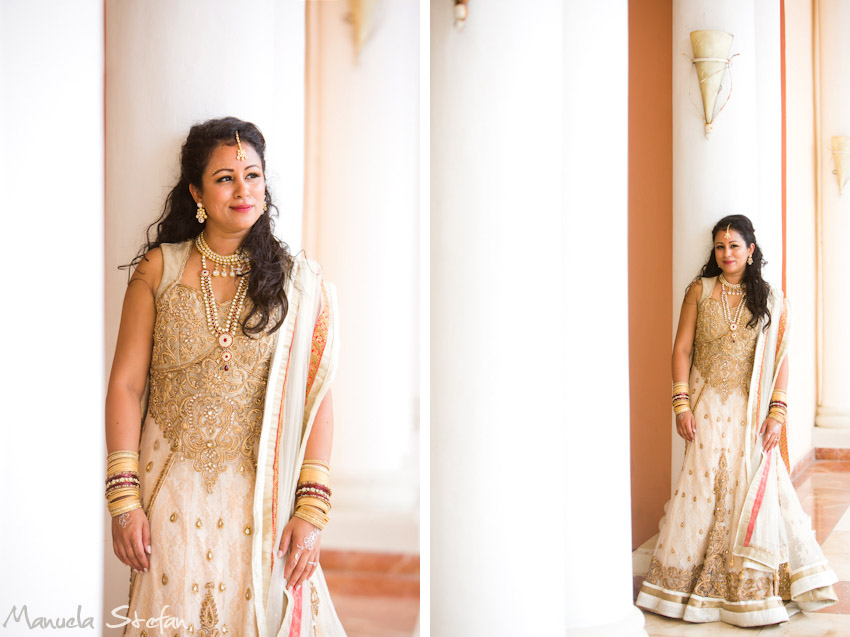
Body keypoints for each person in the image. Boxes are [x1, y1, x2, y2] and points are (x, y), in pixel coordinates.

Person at [105, 117, 346, 636]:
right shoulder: (158, 270)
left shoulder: (296, 283)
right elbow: (125, 385)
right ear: (196, 191)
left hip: (261, 498)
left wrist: (311, 508)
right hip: (170, 491)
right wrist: (124, 499)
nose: (244, 190)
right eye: (225, 178)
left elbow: (317, 399)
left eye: (254, 175)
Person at [635, 215, 837, 627]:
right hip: (707, 405)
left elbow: (780, 360)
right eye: (720, 247)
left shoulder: (771, 299)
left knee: (746, 486)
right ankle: (686, 584)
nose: (726, 254)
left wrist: (777, 414)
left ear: (750, 250)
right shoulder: (699, 291)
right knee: (703, 486)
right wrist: (681, 404)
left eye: (734, 246)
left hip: (749, 411)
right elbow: (682, 349)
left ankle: (748, 585)